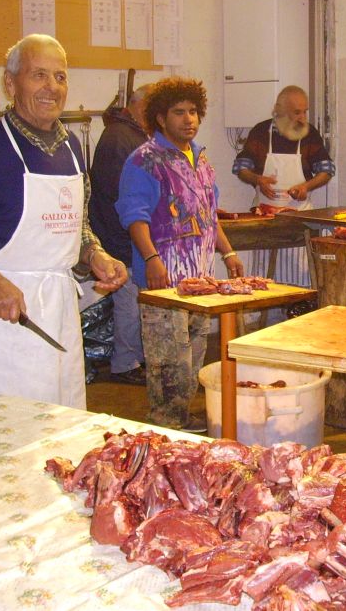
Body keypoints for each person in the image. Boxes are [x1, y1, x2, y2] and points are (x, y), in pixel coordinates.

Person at [0, 34, 127, 408]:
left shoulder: (72, 148)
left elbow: (76, 226)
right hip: (1, 317)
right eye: (39, 75)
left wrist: (94, 254)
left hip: (60, 312)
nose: (52, 87)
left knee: (64, 421)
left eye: (60, 77)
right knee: (10, 427)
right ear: (10, 83)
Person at [116, 77, 244, 432]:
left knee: (194, 353)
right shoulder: (144, 160)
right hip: (164, 281)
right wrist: (151, 259)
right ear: (160, 118)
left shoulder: (201, 159)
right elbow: (134, 216)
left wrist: (229, 253)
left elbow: (208, 215)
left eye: (193, 111)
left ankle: (182, 417)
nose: (189, 119)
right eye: (178, 112)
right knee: (168, 360)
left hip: (200, 281)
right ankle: (166, 424)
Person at [88, 85, 153, 386]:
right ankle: (125, 364)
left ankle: (134, 358)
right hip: (119, 234)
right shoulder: (119, 138)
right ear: (142, 107)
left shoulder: (132, 135)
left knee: (135, 300)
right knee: (129, 302)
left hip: (127, 232)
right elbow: (119, 194)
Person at [232, 85, 334, 211]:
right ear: (280, 111)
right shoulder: (260, 132)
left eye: (305, 111)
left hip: (301, 214)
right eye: (297, 112)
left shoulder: (310, 134)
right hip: (263, 213)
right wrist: (257, 179)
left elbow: (326, 171)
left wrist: (306, 187)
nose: (303, 118)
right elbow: (241, 168)